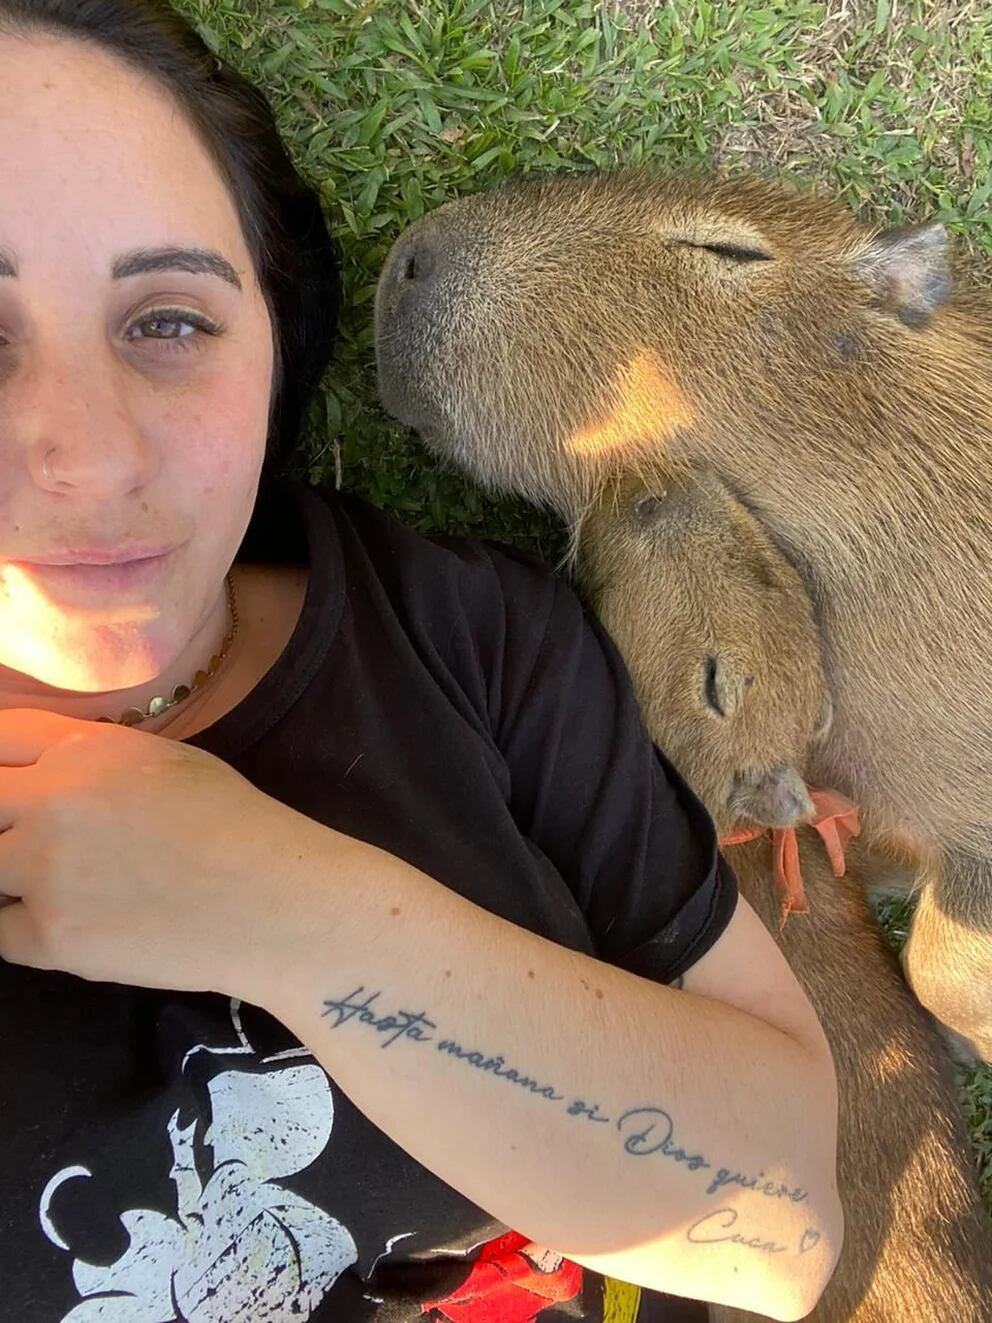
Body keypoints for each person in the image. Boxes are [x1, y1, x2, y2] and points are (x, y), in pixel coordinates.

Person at [0, 3, 842, 1320]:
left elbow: (778, 1230)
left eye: (168, 322)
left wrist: (286, 912)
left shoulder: (463, 637)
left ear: (276, 350)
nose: (94, 458)